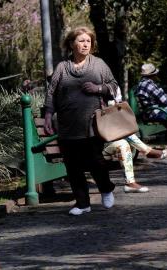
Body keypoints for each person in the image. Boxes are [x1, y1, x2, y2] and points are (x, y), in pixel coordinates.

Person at [44, 26, 117, 216]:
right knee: (73, 166)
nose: (85, 44)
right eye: (81, 41)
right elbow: (51, 93)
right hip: (68, 126)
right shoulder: (62, 67)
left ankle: (106, 188)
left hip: (92, 125)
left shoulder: (98, 64)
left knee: (96, 161)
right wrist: (47, 115)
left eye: (88, 41)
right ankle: (82, 203)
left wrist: (98, 88)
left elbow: (113, 86)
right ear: (71, 43)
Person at [103, 134, 167, 193]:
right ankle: (148, 151)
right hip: (96, 148)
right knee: (122, 139)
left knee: (124, 135)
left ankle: (130, 183)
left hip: (106, 141)